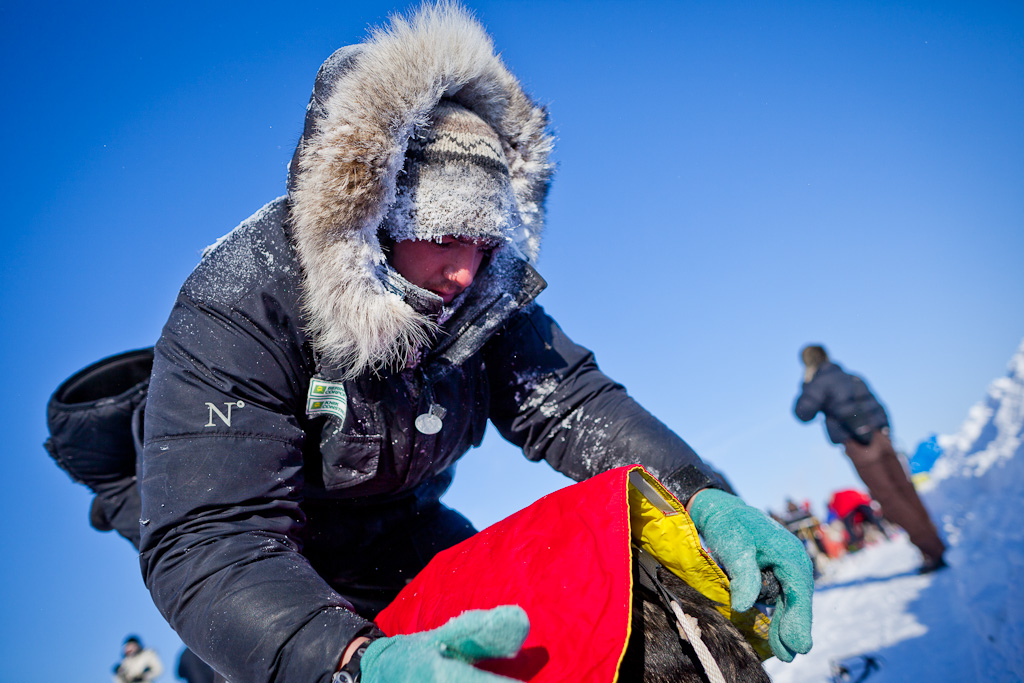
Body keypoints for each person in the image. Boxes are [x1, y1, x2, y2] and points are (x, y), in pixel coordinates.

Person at [52, 5, 814, 682]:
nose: (463, 269)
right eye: (442, 235)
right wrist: (349, 662)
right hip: (278, 568)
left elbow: (570, 401)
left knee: (543, 622)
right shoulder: (239, 303)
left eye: (484, 241)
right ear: (367, 217)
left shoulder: (477, 296)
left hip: (406, 534)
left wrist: (699, 492)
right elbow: (213, 535)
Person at [793, 344, 946, 573]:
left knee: (890, 500)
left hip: (860, 447)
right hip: (883, 440)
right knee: (906, 490)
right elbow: (878, 406)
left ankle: (933, 551)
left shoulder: (818, 383)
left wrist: (807, 383)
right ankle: (935, 544)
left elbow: (802, 412)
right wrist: (884, 431)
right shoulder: (852, 377)